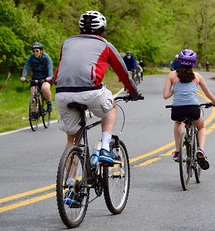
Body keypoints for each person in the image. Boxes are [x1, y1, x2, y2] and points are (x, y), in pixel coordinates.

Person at [54, 11, 141, 205]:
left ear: (79, 28)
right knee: (111, 108)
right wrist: (133, 92)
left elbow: (62, 69)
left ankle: (70, 186)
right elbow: (123, 73)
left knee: (72, 140)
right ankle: (104, 147)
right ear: (101, 29)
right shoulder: (105, 45)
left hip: (62, 93)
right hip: (90, 92)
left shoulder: (67, 43)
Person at [163, 49, 215, 170]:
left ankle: (178, 151)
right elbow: (208, 94)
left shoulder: (172, 75)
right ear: (193, 63)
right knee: (202, 127)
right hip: (193, 109)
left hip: (177, 110)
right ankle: (201, 150)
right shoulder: (197, 76)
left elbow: (165, 95)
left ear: (179, 62)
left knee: (178, 122)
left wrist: (174, 89)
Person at [20, 42, 54, 112]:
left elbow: (50, 67)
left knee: (45, 88)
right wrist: (23, 76)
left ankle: (49, 103)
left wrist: (49, 77)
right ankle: (33, 112)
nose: (35, 53)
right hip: (35, 78)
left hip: (46, 78)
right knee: (33, 93)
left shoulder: (47, 58)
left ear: (41, 51)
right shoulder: (31, 58)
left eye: (37, 51)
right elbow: (26, 67)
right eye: (33, 51)